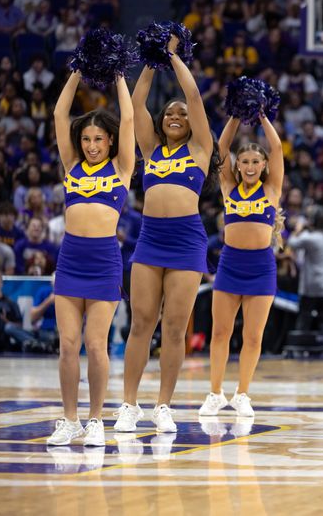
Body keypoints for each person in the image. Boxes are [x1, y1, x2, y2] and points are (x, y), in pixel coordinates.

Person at [116, 35, 217, 434]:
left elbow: (193, 95)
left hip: (187, 240)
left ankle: (163, 405)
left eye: (182, 113)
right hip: (151, 237)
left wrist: (173, 56)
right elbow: (136, 105)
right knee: (141, 322)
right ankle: (128, 404)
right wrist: (151, 61)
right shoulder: (150, 149)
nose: (176, 115)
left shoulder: (201, 148)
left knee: (174, 327)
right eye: (169, 112)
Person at [47, 71, 135, 447]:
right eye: (86, 139)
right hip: (70, 260)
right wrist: (77, 72)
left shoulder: (121, 168)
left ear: (110, 140)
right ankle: (70, 420)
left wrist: (117, 77)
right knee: (68, 344)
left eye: (99, 139)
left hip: (104, 261)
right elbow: (58, 114)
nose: (92, 145)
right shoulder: (71, 166)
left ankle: (96, 418)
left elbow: (129, 118)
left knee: (96, 344)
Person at [198, 112, 284, 419]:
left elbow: (277, 149)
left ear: (263, 167)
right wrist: (236, 114)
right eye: (244, 162)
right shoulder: (228, 187)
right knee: (220, 333)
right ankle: (215, 393)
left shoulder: (272, 188)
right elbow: (219, 148)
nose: (249, 166)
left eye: (255, 162)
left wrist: (261, 116)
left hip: (261, 267)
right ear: (237, 166)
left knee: (252, 336)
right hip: (230, 263)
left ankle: (242, 394)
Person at [286, 205, 323, 357]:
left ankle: (299, 349)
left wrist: (298, 228)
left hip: (313, 286)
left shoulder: (310, 238)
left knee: (304, 318)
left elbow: (291, 243)